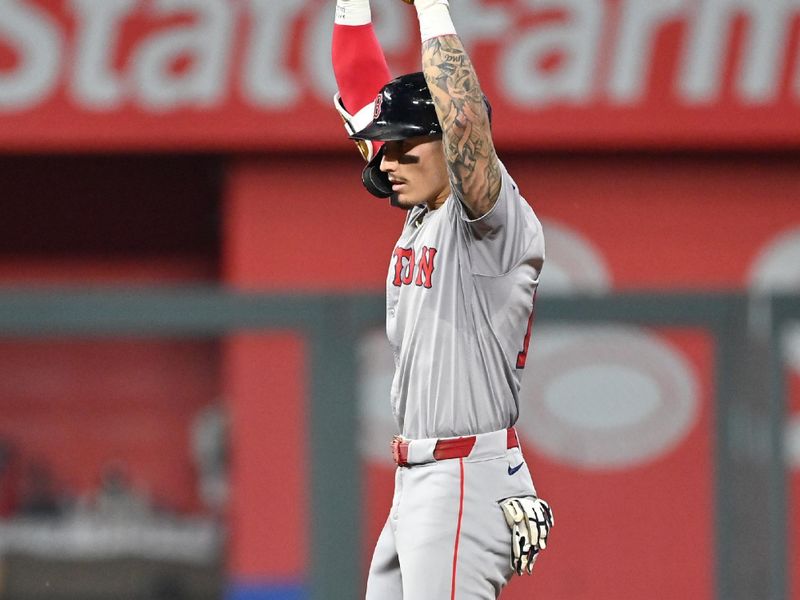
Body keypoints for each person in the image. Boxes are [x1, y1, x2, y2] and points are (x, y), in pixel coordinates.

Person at [331, 1, 554, 598]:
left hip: (464, 475)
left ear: (448, 149)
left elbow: (463, 125)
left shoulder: (489, 221)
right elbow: (360, 94)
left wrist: (429, 8)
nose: (388, 160)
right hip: (424, 479)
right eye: (385, 147)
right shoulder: (422, 212)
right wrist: (353, 9)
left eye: (406, 146)